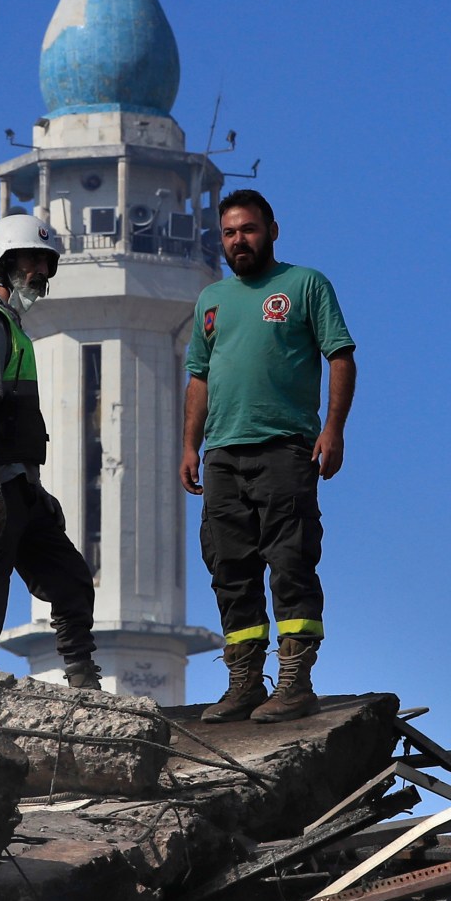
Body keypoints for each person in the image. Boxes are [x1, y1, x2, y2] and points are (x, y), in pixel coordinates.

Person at [181, 189, 356, 723]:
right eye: (230, 232)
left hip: (285, 447)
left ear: (272, 231)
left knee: (290, 562)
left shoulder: (304, 284)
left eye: (249, 230)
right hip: (223, 455)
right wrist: (190, 445)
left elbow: (341, 357)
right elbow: (199, 376)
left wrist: (333, 430)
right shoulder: (211, 299)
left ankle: (295, 683)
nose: (239, 240)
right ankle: (243, 685)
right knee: (229, 568)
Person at [0, 214, 102, 690]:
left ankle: (80, 673)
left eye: (47, 262)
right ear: (6, 263)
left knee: (70, 578)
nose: (41, 272)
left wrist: (31, 487)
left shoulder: (14, 329)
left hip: (20, 485)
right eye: (33, 260)